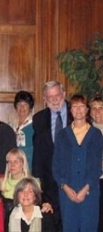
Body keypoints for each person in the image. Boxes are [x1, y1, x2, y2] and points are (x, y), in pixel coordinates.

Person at [53, 94, 102, 232]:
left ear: (87, 110)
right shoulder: (62, 135)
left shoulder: (96, 134)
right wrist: (66, 188)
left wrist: (85, 189)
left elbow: (97, 166)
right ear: (70, 110)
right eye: (74, 106)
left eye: (82, 106)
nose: (78, 110)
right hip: (67, 193)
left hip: (89, 192)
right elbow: (56, 166)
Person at [32, 80, 72, 231]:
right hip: (50, 181)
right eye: (50, 97)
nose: (55, 100)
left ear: (64, 94)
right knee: (53, 222)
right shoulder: (39, 119)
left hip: (74, 180)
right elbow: (38, 152)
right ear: (44, 99)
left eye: (58, 95)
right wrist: (37, 180)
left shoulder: (77, 114)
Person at [9, 91, 34, 172]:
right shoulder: (10, 126)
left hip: (29, 167)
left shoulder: (35, 125)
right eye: (19, 104)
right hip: (13, 168)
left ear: (30, 107)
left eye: (25, 104)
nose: (22, 107)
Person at [89, 94, 103, 232]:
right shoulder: (86, 130)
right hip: (91, 181)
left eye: (101, 108)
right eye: (94, 108)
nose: (97, 111)